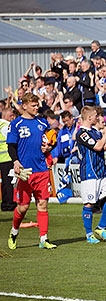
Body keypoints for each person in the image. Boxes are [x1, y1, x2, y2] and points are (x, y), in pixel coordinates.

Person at [6, 93, 56, 250]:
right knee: (23, 207)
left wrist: (49, 148)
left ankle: (44, 238)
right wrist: (15, 162)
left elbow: (50, 140)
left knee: (43, 204)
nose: (37, 107)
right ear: (24, 106)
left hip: (41, 169)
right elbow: (11, 146)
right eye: (33, 105)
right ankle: (14, 232)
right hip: (25, 171)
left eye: (37, 105)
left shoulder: (42, 123)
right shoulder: (16, 124)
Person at [76, 106, 106, 243]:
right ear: (89, 118)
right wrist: (105, 134)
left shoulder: (95, 131)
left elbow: (104, 147)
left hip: (102, 171)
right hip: (90, 172)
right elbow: (97, 147)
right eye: (95, 116)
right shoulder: (81, 133)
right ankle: (89, 234)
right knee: (89, 204)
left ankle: (101, 227)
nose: (98, 118)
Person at [0, 108, 17, 212]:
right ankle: (9, 203)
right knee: (8, 182)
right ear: (5, 116)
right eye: (11, 116)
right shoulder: (6, 126)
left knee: (4, 183)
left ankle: (4, 204)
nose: (13, 118)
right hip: (7, 158)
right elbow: (11, 140)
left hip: (2, 158)